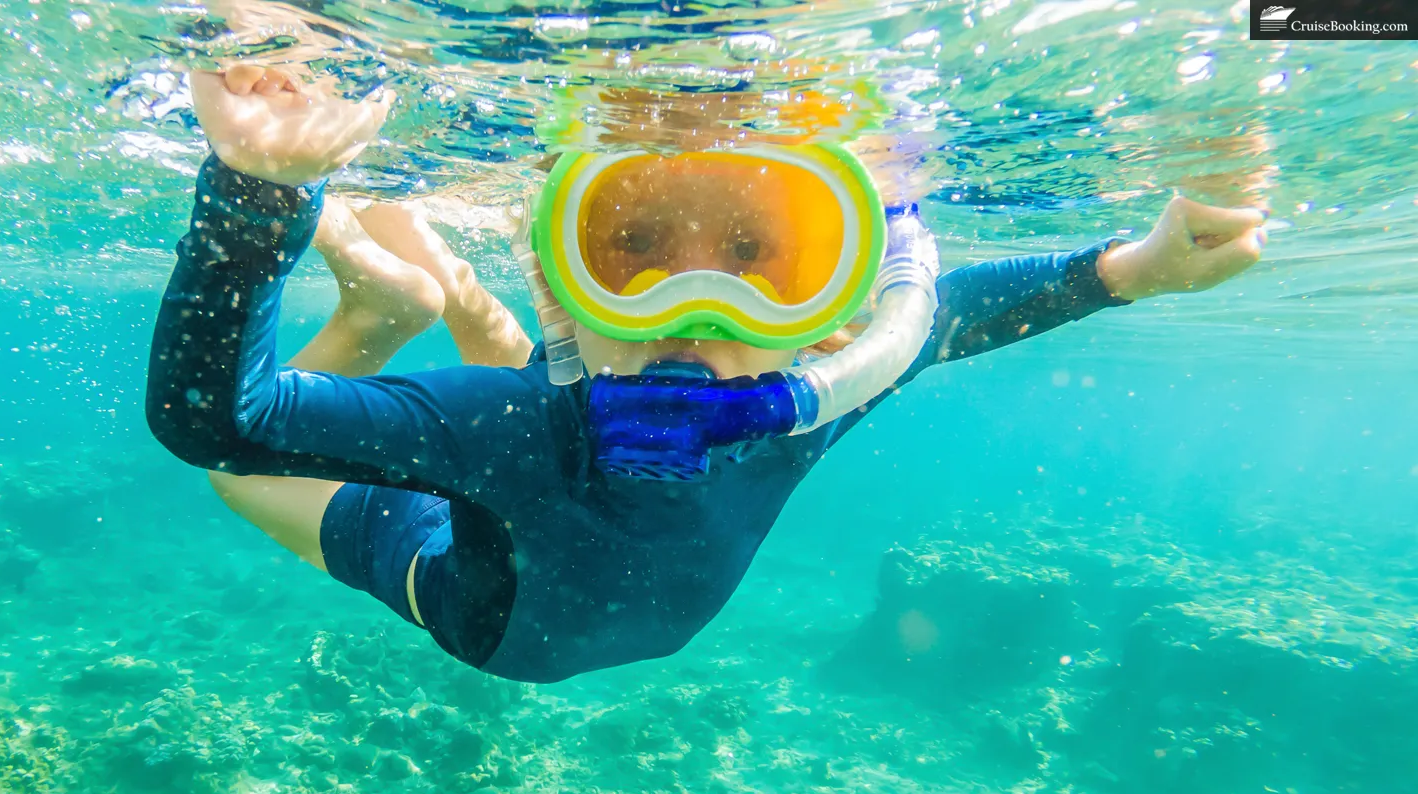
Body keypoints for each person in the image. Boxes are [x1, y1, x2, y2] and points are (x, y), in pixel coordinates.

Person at [145, 65, 1267, 683]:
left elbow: (953, 315)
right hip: (477, 613)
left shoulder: (821, 392)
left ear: (836, 309)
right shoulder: (508, 426)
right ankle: (395, 308)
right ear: (563, 275)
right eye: (626, 251)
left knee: (530, 406)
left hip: (519, 434)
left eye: (755, 264)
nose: (691, 317)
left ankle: (416, 300)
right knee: (236, 481)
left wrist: (1132, 266)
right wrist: (253, 192)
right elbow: (222, 426)